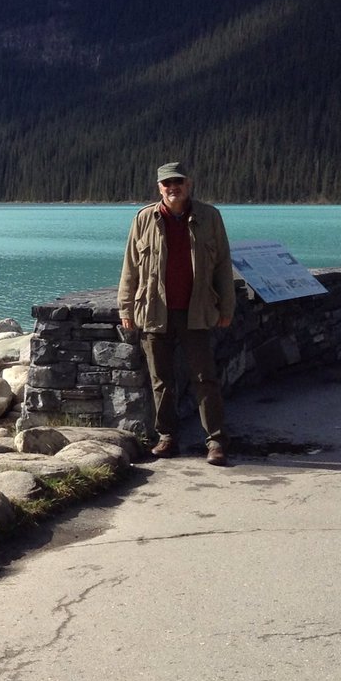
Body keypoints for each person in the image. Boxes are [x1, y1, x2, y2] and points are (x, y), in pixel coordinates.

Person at [118, 161, 235, 465]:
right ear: (160, 188)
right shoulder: (144, 219)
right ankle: (167, 437)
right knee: (161, 379)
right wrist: (125, 307)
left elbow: (223, 265)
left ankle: (216, 440)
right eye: (167, 184)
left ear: (189, 184)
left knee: (205, 378)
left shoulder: (210, 217)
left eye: (178, 182)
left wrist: (227, 306)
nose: (173, 188)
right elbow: (130, 267)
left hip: (197, 311)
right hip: (155, 312)